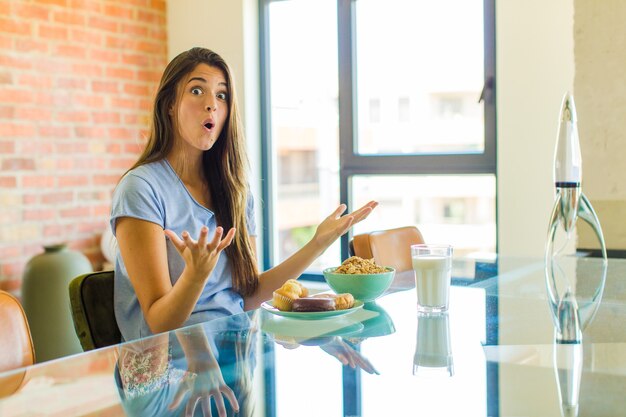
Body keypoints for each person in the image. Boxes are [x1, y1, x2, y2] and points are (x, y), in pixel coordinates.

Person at [111, 47, 377, 341]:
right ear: (170, 104)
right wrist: (195, 276)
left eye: (222, 95)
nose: (212, 104)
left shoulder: (236, 190)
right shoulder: (141, 189)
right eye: (197, 90)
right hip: (168, 365)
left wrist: (317, 243)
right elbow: (158, 323)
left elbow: (249, 296)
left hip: (236, 347)